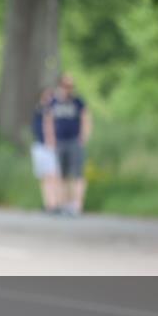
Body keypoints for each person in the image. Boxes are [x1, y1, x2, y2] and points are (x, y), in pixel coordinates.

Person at [45, 73, 92, 216]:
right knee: (62, 175)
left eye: (71, 86)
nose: (69, 89)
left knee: (78, 174)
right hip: (59, 142)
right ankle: (64, 205)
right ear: (60, 86)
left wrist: (84, 135)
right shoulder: (53, 102)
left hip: (74, 141)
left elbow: (86, 117)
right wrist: (50, 138)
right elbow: (48, 120)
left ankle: (77, 205)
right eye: (66, 85)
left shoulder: (78, 101)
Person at [30, 87, 60, 213]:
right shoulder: (39, 109)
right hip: (40, 145)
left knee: (53, 176)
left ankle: (55, 203)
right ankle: (48, 203)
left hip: (50, 146)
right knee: (44, 177)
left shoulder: (54, 110)